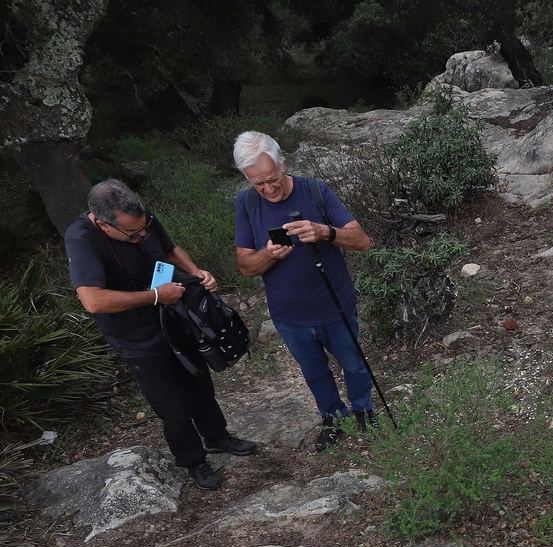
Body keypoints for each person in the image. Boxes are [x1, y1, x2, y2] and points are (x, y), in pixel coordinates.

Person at [65, 179, 256, 490]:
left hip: (173, 317)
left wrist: (195, 271)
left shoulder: (139, 216)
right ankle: (194, 460)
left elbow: (169, 248)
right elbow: (92, 300)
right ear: (103, 224)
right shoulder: (81, 239)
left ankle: (216, 436)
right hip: (136, 336)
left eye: (143, 229)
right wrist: (154, 296)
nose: (141, 235)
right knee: (171, 405)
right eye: (133, 234)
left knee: (199, 382)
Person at [232, 131, 374, 451]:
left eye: (272, 179)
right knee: (314, 372)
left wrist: (324, 231)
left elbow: (361, 240)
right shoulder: (247, 203)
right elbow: (245, 266)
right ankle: (333, 418)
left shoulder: (315, 191)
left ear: (283, 164)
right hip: (289, 315)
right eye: (258, 183)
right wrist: (268, 254)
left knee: (353, 364)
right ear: (246, 179)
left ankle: (364, 410)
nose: (268, 189)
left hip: (334, 305)